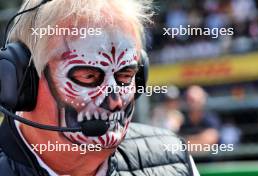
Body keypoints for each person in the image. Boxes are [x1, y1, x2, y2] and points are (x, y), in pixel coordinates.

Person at [0, 0, 198, 175]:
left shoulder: (173, 158)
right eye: (88, 76)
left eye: (125, 75)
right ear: (21, 82)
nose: (116, 102)